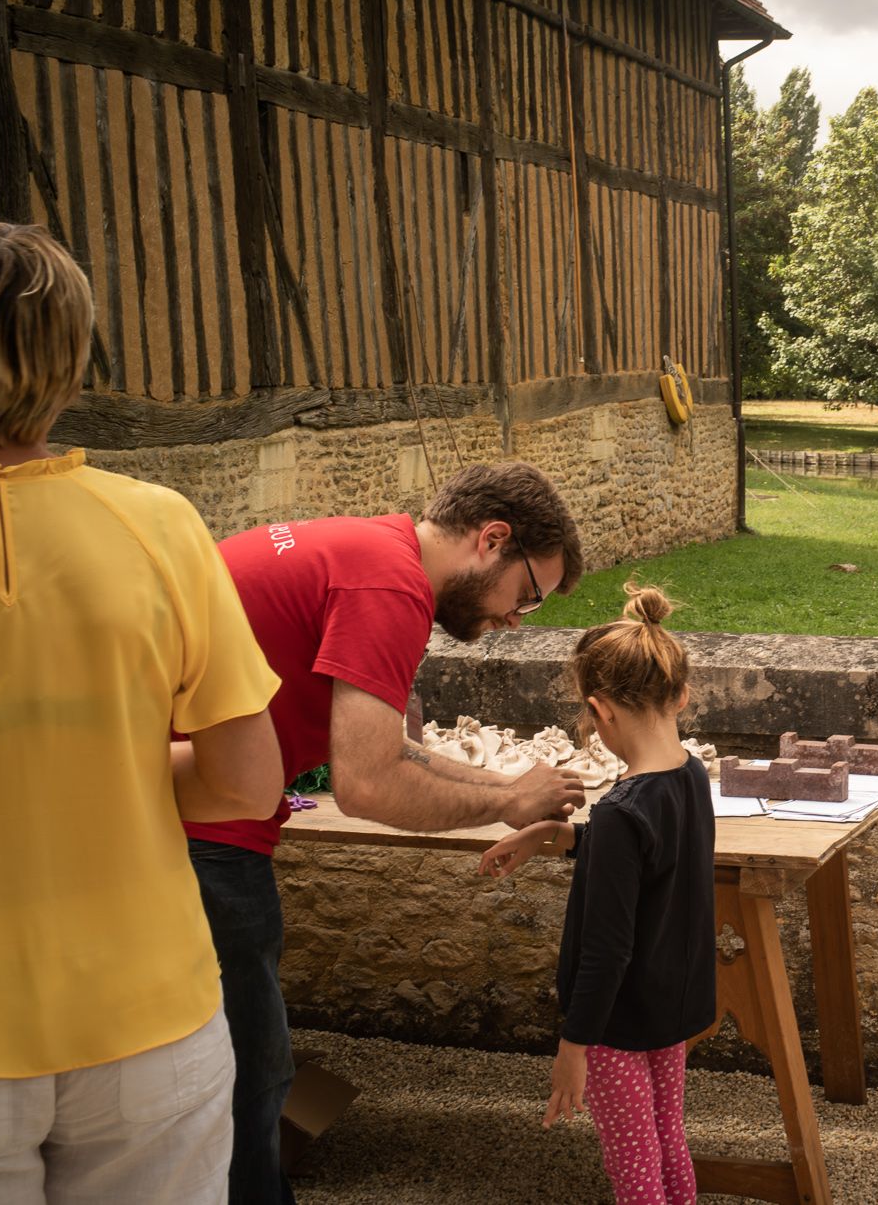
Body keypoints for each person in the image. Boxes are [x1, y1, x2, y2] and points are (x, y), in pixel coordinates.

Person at [0, 222, 285, 1199]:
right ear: (72, 361)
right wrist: (116, 770)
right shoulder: (157, 523)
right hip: (150, 1026)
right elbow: (248, 781)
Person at [190, 460, 593, 1202]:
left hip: (190, 806)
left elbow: (391, 747)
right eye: (526, 595)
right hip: (201, 827)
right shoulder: (390, 585)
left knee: (224, 1062)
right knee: (252, 1072)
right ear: (491, 539)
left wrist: (507, 786)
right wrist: (503, 807)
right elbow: (368, 783)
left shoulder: (370, 550)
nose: (513, 619)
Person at [480, 584, 716, 1205]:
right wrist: (557, 835)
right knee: (667, 1138)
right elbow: (652, 866)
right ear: (681, 694)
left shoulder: (620, 812)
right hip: (671, 1006)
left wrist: (572, 1046)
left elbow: (605, 950)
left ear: (599, 710)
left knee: (633, 1163)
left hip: (615, 1023)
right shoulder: (690, 777)